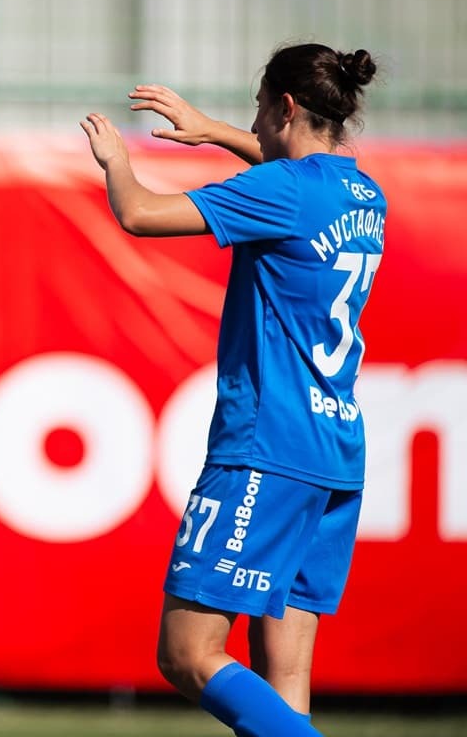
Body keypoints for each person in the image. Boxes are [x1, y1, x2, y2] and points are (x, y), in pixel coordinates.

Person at [80, 43, 384, 737]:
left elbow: (141, 215)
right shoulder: (363, 191)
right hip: (334, 454)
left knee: (188, 653)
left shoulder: (288, 192)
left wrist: (117, 164)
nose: (251, 122)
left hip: (267, 449)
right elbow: (290, 178)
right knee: (285, 676)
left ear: (282, 107)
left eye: (256, 110)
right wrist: (214, 130)